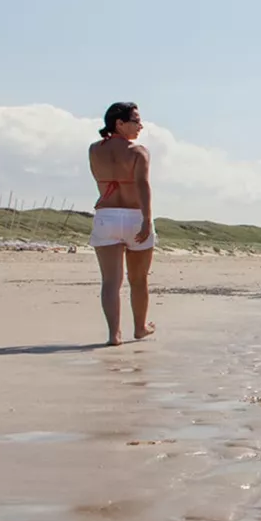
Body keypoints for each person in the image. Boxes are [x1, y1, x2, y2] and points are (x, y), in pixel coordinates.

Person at [87, 102, 155, 345]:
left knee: (110, 281)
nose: (141, 125)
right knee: (138, 279)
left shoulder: (94, 150)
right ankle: (140, 328)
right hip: (135, 215)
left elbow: (99, 179)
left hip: (107, 216)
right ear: (119, 123)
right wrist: (147, 220)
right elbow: (143, 186)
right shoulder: (138, 152)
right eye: (136, 121)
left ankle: (114, 334)